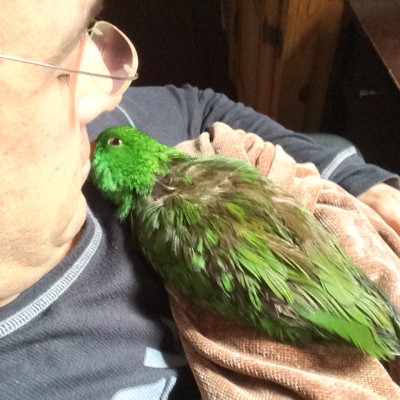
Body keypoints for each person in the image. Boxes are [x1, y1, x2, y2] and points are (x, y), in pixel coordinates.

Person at [0, 1, 400, 399]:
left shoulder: (120, 121)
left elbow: (204, 106)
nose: (109, 90)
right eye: (60, 71)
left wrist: (357, 179)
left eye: (85, 32)